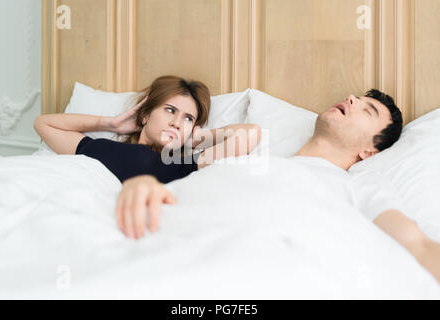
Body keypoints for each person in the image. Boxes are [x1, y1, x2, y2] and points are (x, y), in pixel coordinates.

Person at [125, 88, 440, 282]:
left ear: (369, 151)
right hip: (164, 245)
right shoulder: (251, 163)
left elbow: (417, 246)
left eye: (366, 109)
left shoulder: (359, 185)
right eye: (355, 97)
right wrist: (146, 185)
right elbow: (190, 193)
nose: (352, 99)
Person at [33, 74, 261, 228]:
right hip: (76, 212)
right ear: (145, 115)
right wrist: (111, 124)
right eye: (170, 110)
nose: (176, 122)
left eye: (188, 118)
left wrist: (199, 138)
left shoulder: (183, 164)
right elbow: (44, 124)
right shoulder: (104, 149)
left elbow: (250, 134)